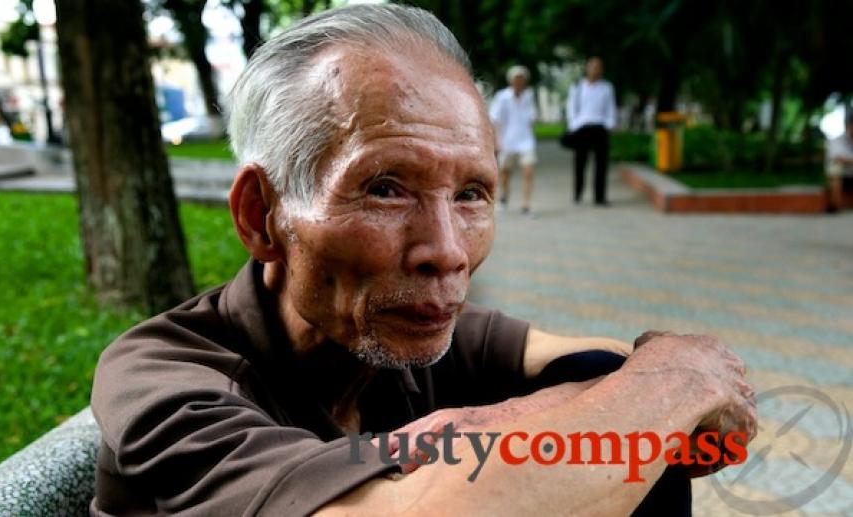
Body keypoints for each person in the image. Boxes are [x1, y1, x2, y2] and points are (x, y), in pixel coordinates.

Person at [90, 6, 756, 516]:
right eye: (385, 187)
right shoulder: (163, 381)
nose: (444, 248)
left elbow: (694, 430)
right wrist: (673, 380)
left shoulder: (408, 331)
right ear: (260, 216)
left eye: (470, 193)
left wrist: (465, 429)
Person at [566, 57, 617, 206]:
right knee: (580, 162)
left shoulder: (607, 87)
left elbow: (610, 108)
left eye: (598, 67)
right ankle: (578, 193)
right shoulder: (578, 86)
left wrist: (609, 124)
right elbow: (572, 108)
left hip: (600, 127)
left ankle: (599, 197)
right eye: (592, 67)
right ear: (587, 68)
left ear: (601, 70)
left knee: (601, 164)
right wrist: (574, 125)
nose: (595, 70)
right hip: (582, 127)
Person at [489, 65, 538, 214]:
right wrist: (497, 140)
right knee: (505, 172)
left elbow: (532, 117)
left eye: (522, 79)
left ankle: (526, 203)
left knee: (528, 170)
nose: (519, 82)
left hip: (526, 140)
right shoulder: (502, 97)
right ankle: (504, 196)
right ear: (511, 81)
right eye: (517, 79)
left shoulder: (528, 97)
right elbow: (495, 119)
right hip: (507, 140)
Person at [826, 111, 853, 211]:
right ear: (849, 125)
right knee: (835, 169)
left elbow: (843, 159)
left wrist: (847, 160)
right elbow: (837, 158)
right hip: (843, 176)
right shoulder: (837, 140)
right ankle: (835, 205)